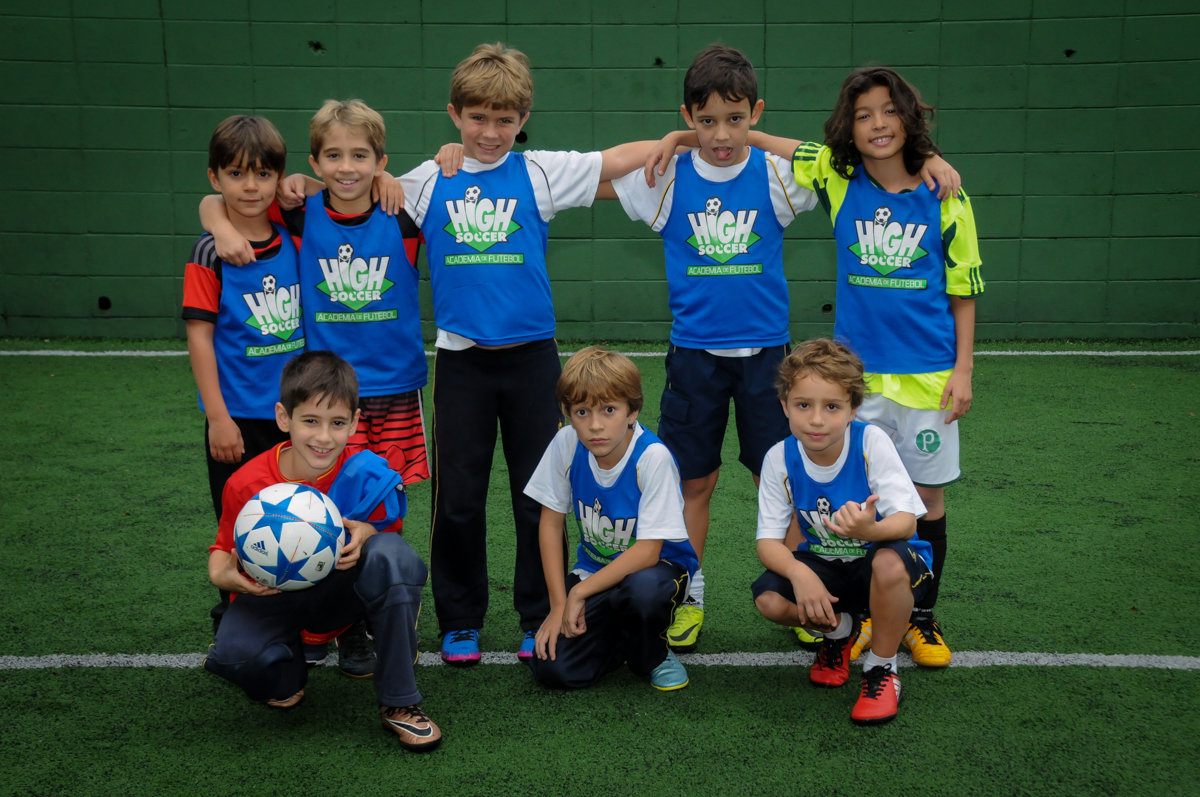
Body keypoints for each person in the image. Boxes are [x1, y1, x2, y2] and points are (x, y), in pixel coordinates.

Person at [616, 46, 959, 654]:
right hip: (693, 357)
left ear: (756, 113)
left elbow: (850, 160)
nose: (721, 135)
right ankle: (687, 595)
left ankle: (813, 594)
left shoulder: (778, 174)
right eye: (705, 120)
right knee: (692, 485)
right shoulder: (666, 176)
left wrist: (927, 154)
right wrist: (671, 140)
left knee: (786, 481)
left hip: (769, 362)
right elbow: (592, 177)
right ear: (688, 115)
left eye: (736, 118)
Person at [398, 43, 681, 665]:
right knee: (460, 498)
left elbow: (615, 160)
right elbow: (349, 185)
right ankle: (460, 620)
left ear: (523, 119)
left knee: (540, 497)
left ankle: (536, 614)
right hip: (463, 363)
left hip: (532, 364)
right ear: (454, 114)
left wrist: (678, 138)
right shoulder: (424, 181)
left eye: (505, 119)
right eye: (477, 118)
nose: (491, 132)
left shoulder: (539, 172)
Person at [746, 66, 984, 667]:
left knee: (926, 502)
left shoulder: (946, 196)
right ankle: (857, 607)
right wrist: (706, 136)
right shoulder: (836, 177)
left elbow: (963, 291)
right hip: (858, 380)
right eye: (862, 115)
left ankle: (920, 620)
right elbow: (773, 143)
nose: (878, 124)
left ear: (910, 117)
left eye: (889, 111)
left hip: (928, 376)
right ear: (847, 130)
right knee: (856, 495)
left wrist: (963, 370)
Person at [199, 100, 419, 673]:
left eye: (361, 156)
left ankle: (356, 623)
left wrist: (388, 179)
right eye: (333, 155)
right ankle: (264, 615)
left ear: (379, 160)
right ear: (315, 162)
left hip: (389, 390)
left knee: (374, 504)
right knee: (279, 502)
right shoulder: (298, 215)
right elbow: (219, 202)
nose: (347, 167)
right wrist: (219, 222)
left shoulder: (399, 215)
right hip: (315, 396)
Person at [203, 350, 440, 752]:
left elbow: (389, 536)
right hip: (273, 598)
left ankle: (399, 701)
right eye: (310, 421)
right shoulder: (247, 483)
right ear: (284, 418)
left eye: (337, 423)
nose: (323, 437)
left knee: (391, 557)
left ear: (354, 423)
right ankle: (293, 659)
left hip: (340, 593)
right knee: (241, 663)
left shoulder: (368, 473)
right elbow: (222, 549)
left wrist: (367, 529)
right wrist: (220, 573)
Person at [751, 339, 931, 725]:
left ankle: (881, 668)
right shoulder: (778, 457)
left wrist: (873, 527)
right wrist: (800, 574)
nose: (816, 419)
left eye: (831, 406)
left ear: (853, 409)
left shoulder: (871, 442)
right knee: (769, 600)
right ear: (784, 405)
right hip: (825, 564)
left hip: (879, 564)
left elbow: (908, 521)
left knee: (888, 563)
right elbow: (767, 540)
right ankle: (840, 631)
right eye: (803, 405)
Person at [182, 115, 300, 635]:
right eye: (235, 174)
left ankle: (318, 616)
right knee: (240, 523)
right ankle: (238, 615)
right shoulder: (210, 252)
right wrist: (217, 417)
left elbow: (332, 190)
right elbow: (200, 338)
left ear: (278, 178)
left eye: (262, 174)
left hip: (297, 417)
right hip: (239, 417)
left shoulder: (295, 232)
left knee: (300, 518)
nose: (249, 186)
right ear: (215, 178)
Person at [523, 347, 697, 691]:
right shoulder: (566, 442)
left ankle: (655, 653)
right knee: (553, 670)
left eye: (609, 410)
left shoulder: (653, 457)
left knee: (644, 591)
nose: (595, 425)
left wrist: (579, 595)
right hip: (595, 572)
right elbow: (550, 523)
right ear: (567, 413)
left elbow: (648, 551)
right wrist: (559, 604)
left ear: (632, 411)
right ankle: (620, 639)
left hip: (657, 571)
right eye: (582, 412)